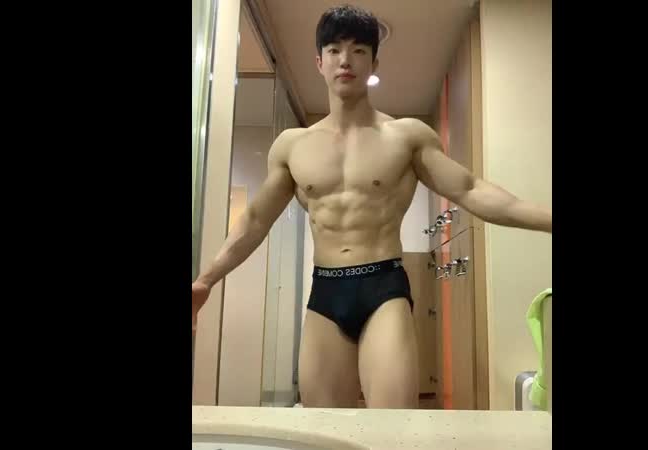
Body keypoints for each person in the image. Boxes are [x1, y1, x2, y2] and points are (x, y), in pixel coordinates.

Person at [191, 4, 551, 409]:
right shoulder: (293, 146)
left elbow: (472, 190)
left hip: (383, 286)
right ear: (319, 62)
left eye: (358, 50)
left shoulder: (405, 136)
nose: (345, 60)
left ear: (374, 62)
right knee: (324, 427)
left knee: (392, 426)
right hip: (326, 291)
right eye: (334, 50)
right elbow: (255, 221)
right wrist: (206, 280)